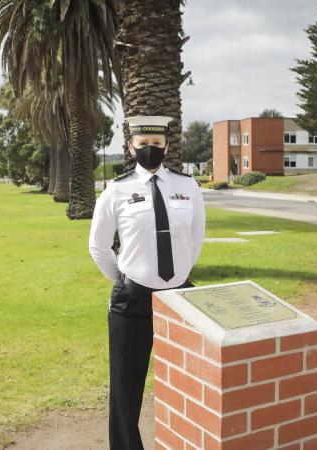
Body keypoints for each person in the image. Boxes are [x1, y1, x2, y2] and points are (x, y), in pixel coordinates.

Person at [89, 116, 206, 449]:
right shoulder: (117, 190)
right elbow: (98, 245)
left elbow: (196, 240)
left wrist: (179, 274)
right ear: (131, 148)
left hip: (181, 299)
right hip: (133, 300)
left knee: (188, 383)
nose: (150, 150)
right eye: (143, 145)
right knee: (126, 391)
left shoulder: (188, 186)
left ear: (167, 146)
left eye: (157, 145)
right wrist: (125, 281)